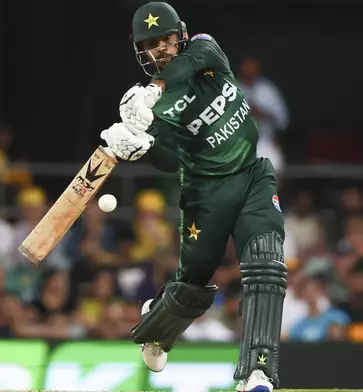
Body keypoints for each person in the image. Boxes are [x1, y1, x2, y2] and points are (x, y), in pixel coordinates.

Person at [99, 2, 287, 391]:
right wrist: (142, 143)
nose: (162, 50)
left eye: (167, 40)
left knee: (267, 263)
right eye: (151, 45)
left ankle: (258, 372)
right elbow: (171, 158)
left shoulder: (204, 50)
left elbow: (191, 60)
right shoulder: (145, 107)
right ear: (140, 52)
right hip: (205, 195)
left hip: (252, 175)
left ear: (181, 34)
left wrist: (155, 89)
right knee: (194, 283)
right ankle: (159, 325)